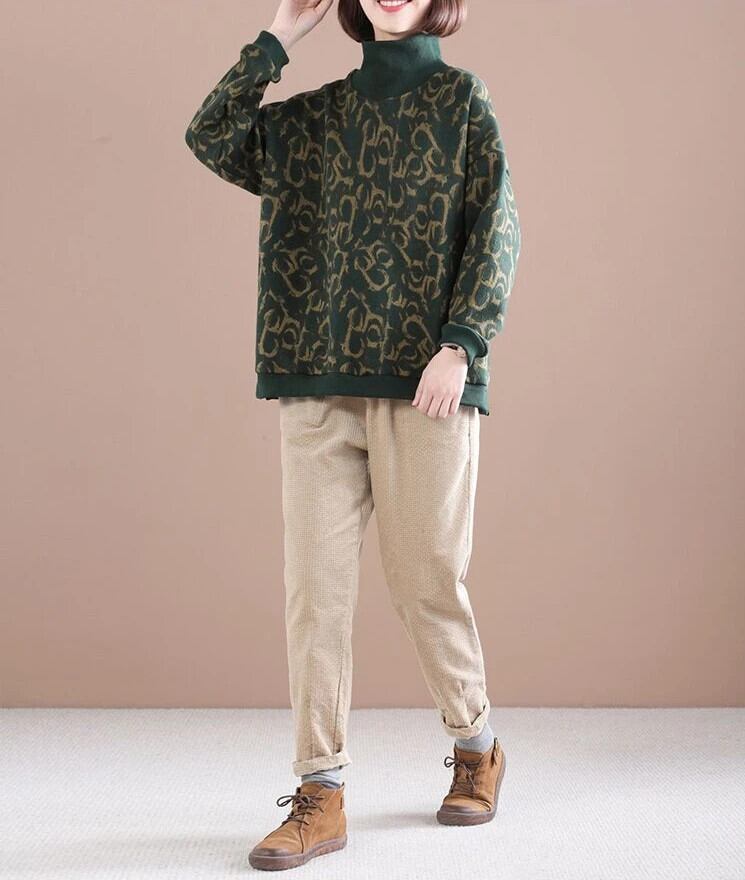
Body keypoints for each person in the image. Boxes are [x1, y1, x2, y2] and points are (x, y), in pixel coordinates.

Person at [185, 0, 521, 870]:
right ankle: (321, 791)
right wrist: (280, 35)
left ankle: (477, 745)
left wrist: (461, 344)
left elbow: (497, 226)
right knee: (316, 596)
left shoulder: (461, 103)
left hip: (427, 386)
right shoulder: (312, 120)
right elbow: (211, 136)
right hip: (316, 381)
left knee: (425, 581)